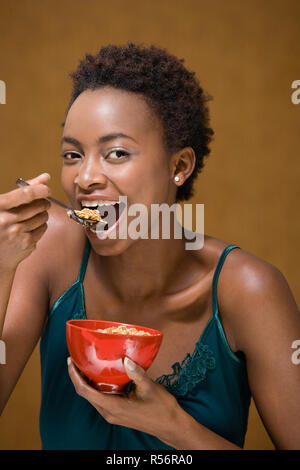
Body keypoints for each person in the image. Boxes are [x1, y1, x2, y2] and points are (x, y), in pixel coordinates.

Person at [0, 42, 299, 450]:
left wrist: (173, 424)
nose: (85, 177)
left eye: (116, 153)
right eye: (72, 154)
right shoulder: (48, 247)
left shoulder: (248, 289)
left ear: (179, 166)